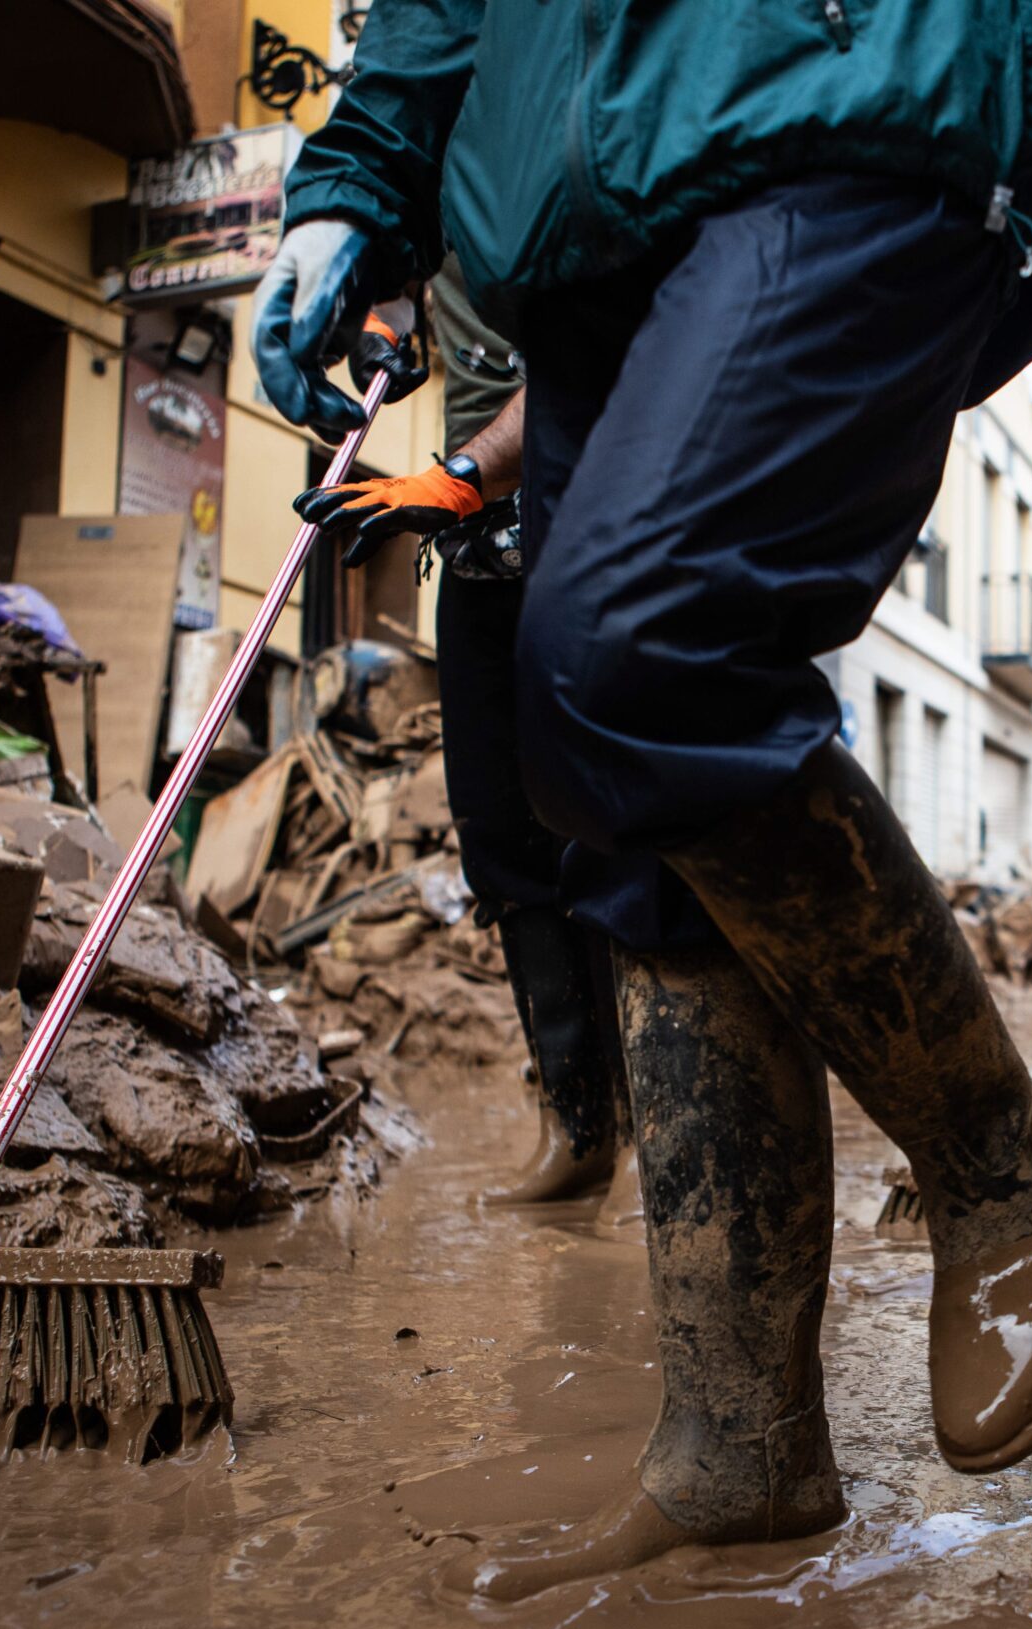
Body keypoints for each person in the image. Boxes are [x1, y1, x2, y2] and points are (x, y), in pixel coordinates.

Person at [254, 0, 1032, 1601]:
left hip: (847, 101)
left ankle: (998, 1156)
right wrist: (356, 180)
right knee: (616, 807)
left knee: (632, 654)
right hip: (579, 222)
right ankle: (742, 1438)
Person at [282, 263, 636, 1220]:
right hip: (480, 547)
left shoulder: (552, 156)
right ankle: (577, 1130)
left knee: (621, 832)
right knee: (500, 829)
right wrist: (387, 322)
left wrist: (464, 472)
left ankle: (665, 1130)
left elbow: (592, 361)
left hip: (600, 515)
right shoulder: (439, 180)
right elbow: (404, 285)